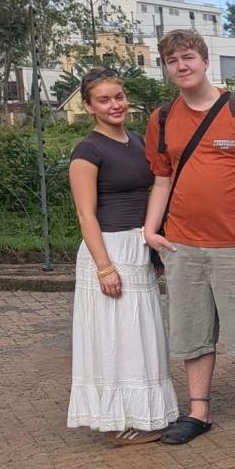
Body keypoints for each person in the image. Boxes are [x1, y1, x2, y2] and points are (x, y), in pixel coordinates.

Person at [143, 30, 235, 445]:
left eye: (187, 57)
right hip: (183, 244)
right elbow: (162, 179)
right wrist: (151, 229)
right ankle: (198, 411)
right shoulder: (162, 118)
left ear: (204, 60)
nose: (181, 66)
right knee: (192, 330)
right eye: (172, 61)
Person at [66, 68, 179, 443]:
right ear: (88, 106)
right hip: (109, 249)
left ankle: (145, 415)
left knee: (142, 334)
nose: (115, 105)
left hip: (137, 247)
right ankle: (121, 419)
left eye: (119, 97)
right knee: (118, 336)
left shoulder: (135, 140)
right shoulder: (88, 150)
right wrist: (103, 267)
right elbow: (85, 214)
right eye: (104, 100)